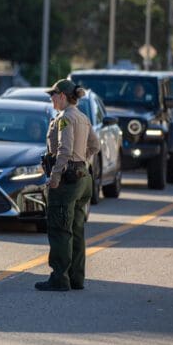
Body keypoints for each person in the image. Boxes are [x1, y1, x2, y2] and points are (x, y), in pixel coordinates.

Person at [36, 79, 101, 292]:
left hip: (67, 181)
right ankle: (76, 278)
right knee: (77, 229)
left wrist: (55, 177)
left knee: (60, 229)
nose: (51, 99)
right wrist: (81, 162)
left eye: (53, 95)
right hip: (82, 179)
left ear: (62, 95)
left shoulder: (65, 119)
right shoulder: (82, 117)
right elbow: (95, 145)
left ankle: (59, 278)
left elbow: (64, 149)